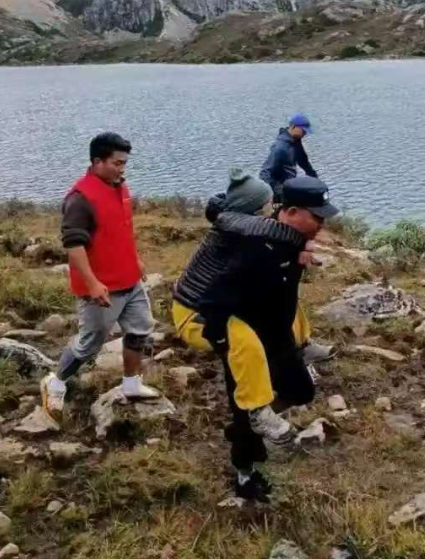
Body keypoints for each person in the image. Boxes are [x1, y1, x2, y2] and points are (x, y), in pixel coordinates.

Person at [173, 176, 339, 501]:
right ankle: (245, 474)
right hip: (233, 327)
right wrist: (223, 342)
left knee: (300, 390)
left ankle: (248, 424)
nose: (322, 223)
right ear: (291, 211)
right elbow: (215, 297)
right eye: (316, 216)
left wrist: (301, 256)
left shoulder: (287, 236)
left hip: (272, 327)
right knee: (247, 401)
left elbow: (284, 289)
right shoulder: (252, 244)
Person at [40, 132, 159, 419]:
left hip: (130, 280)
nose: (122, 169)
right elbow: (73, 245)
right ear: (97, 162)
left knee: (139, 330)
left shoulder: (120, 187)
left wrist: (136, 260)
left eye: (124, 163)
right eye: (117, 163)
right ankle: (55, 382)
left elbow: (120, 230)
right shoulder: (80, 199)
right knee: (89, 344)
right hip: (102, 288)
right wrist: (92, 283)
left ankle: (131, 384)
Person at [173, 167, 333, 362]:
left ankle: (299, 344)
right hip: (196, 316)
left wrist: (305, 243)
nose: (272, 209)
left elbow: (283, 226)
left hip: (214, 307)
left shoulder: (242, 225)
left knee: (280, 293)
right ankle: (281, 356)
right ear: (253, 212)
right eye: (268, 206)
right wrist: (302, 241)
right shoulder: (241, 233)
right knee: (270, 306)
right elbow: (281, 231)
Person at [259, 114, 318, 199]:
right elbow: (265, 174)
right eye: (303, 130)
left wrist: (315, 179)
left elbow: (303, 162)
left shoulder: (296, 142)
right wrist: (279, 192)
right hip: (280, 190)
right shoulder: (280, 147)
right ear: (293, 127)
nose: (305, 133)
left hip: (290, 185)